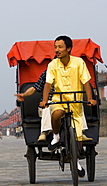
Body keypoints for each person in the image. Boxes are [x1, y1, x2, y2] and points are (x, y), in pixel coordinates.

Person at [39, 35, 97, 178]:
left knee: (77, 137)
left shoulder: (79, 63)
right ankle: (57, 136)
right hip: (59, 99)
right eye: (55, 47)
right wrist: (45, 100)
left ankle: (76, 162)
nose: (57, 50)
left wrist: (90, 98)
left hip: (76, 100)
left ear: (68, 49)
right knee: (56, 114)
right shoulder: (52, 65)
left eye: (60, 47)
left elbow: (86, 82)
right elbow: (47, 84)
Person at [15, 70, 91, 142]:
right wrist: (24, 95)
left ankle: (81, 132)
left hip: (67, 101)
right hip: (50, 102)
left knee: (78, 106)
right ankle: (44, 132)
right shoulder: (46, 74)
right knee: (47, 106)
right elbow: (35, 88)